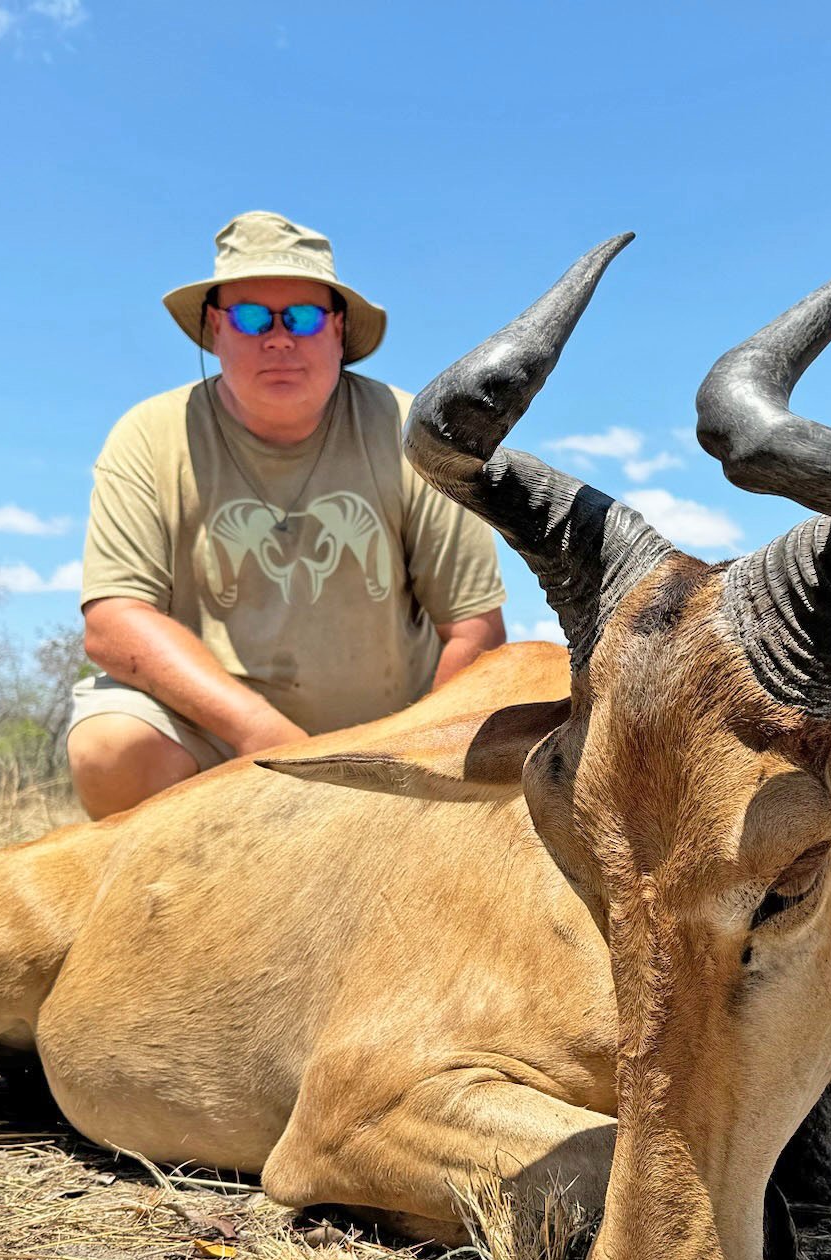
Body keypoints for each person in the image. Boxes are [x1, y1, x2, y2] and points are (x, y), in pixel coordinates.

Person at [68, 211, 507, 818]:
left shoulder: (411, 438)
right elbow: (114, 621)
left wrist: (410, 761)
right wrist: (261, 735)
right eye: (251, 317)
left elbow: (473, 629)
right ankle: (185, 907)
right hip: (217, 740)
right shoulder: (150, 436)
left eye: (302, 316)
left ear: (338, 329)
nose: (278, 338)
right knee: (112, 745)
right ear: (215, 327)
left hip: (385, 745)